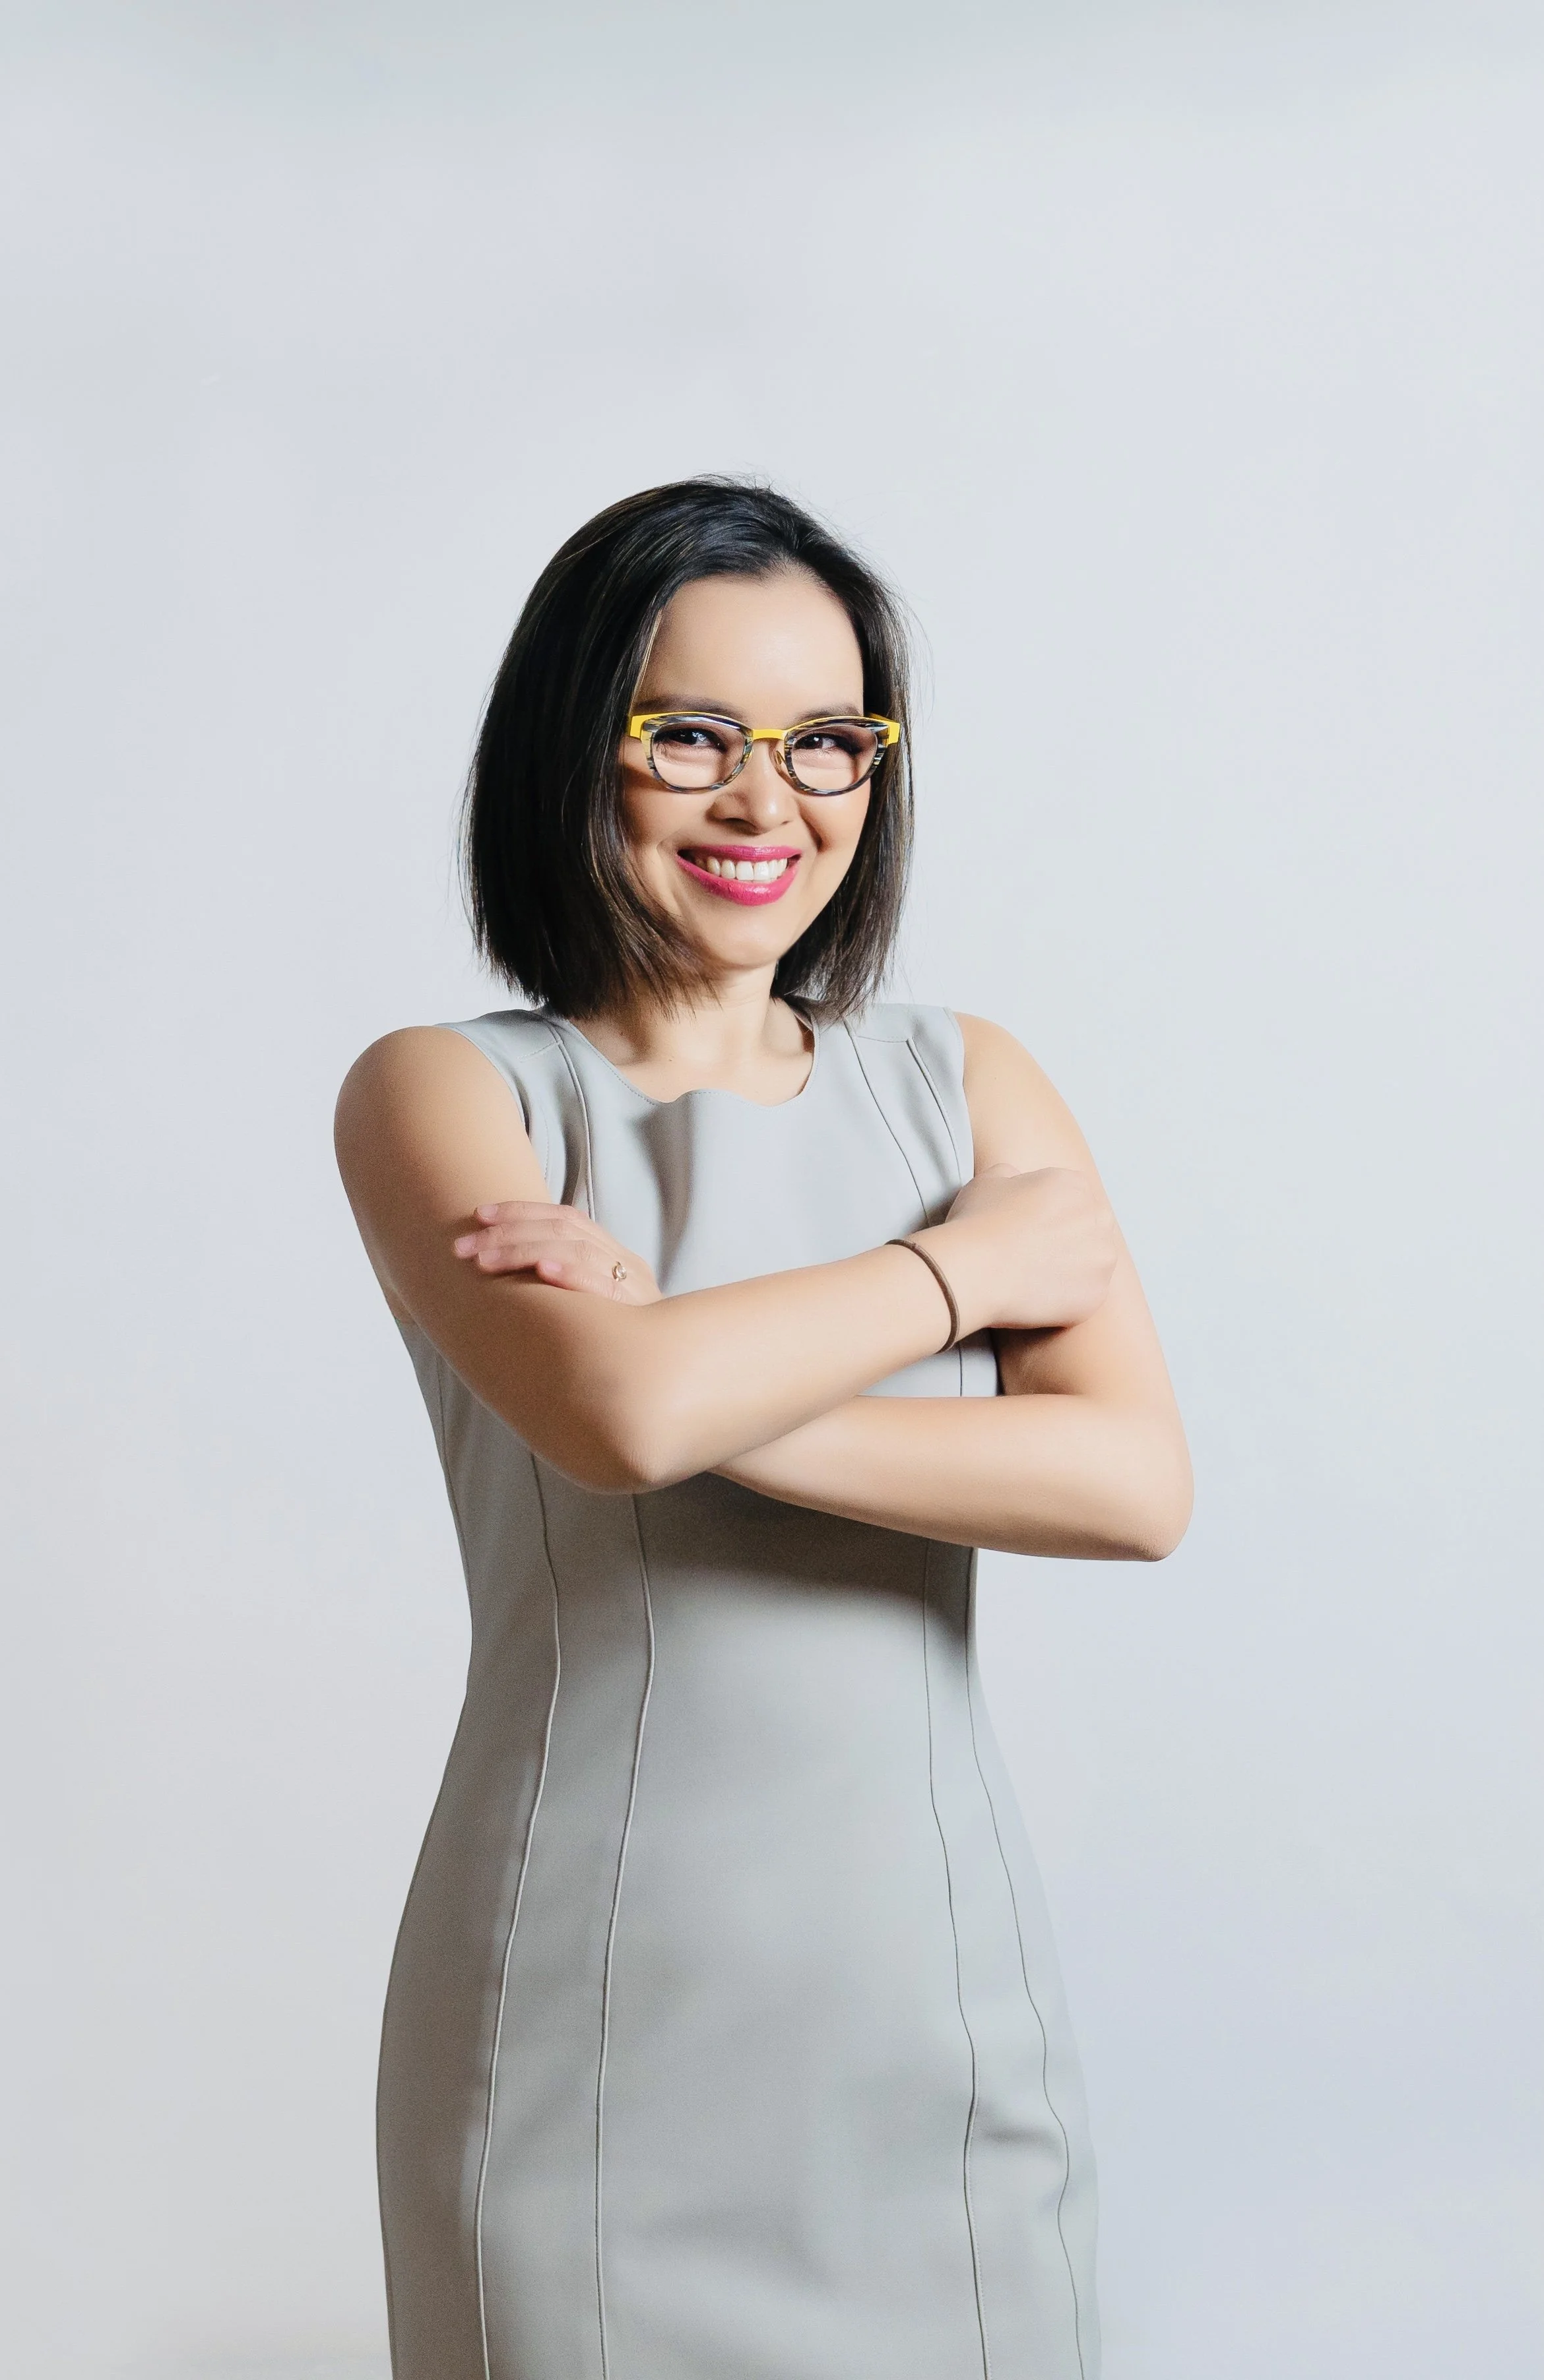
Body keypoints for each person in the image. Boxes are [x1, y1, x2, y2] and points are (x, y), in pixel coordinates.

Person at [334, 478, 1192, 2380]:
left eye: (825, 742)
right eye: (692, 734)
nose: (765, 800)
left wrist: (685, 1367)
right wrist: (956, 1278)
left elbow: (1131, 1485)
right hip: (587, 2016)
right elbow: (615, 1416)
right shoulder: (444, 1094)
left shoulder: (962, 1082)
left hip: (937, 2010)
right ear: (576, 745)